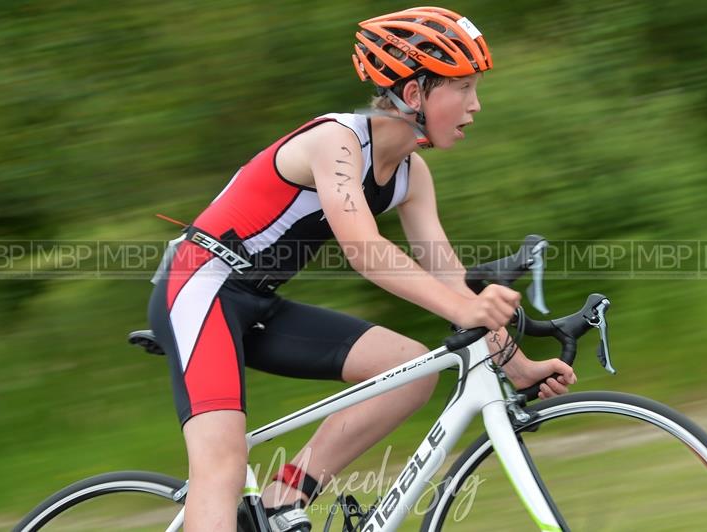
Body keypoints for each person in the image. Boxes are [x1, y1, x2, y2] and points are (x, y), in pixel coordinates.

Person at [147, 6, 577, 531]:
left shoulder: (411, 176)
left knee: (410, 371)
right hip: (199, 288)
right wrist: (468, 304)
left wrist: (517, 366)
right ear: (415, 94)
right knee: (222, 465)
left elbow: (448, 278)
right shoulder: (337, 141)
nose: (475, 105)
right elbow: (365, 249)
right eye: (462, 88)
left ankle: (284, 499)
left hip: (257, 301)